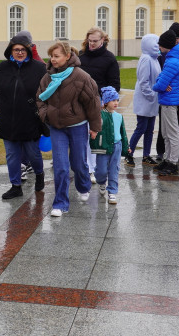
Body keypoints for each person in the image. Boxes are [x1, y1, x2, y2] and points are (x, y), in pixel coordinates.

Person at [36, 41, 101, 217]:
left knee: (78, 163)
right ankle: (60, 203)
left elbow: (93, 102)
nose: (53, 59)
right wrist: (45, 115)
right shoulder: (48, 77)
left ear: (67, 56)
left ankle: (83, 185)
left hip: (78, 127)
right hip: (57, 128)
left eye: (56, 56)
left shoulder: (81, 77)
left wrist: (95, 127)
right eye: (51, 56)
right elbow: (40, 98)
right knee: (61, 166)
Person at [0, 32, 47, 199]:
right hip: (8, 121)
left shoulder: (39, 68)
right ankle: (15, 185)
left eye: (23, 49)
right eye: (16, 49)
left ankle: (39, 174)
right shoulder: (2, 68)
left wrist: (43, 110)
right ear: (10, 51)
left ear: (28, 50)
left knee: (33, 153)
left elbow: (49, 91)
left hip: (30, 120)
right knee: (12, 155)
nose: (19, 52)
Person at [78, 27, 120, 181]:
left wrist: (107, 101)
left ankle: (96, 168)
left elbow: (114, 83)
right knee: (83, 135)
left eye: (95, 41)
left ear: (103, 40)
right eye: (90, 41)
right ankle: (87, 167)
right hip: (81, 101)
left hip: (99, 103)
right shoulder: (81, 56)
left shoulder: (109, 58)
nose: (92, 43)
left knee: (96, 136)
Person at [151, 28, 179, 175]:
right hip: (168, 100)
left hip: (169, 102)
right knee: (167, 133)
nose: (159, 48)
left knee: (172, 134)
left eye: (160, 45)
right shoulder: (174, 59)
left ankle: (172, 162)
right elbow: (162, 79)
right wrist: (160, 82)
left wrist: (156, 85)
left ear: (167, 45)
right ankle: (167, 159)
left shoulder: (172, 61)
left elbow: (159, 84)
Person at [126, 33, 161, 167]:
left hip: (152, 100)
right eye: (155, 43)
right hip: (145, 99)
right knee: (141, 128)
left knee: (150, 129)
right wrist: (151, 94)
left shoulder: (154, 58)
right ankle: (129, 152)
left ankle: (146, 155)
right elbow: (143, 81)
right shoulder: (146, 59)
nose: (158, 46)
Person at [91, 87, 127, 204]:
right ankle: (101, 182)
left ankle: (112, 191)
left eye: (117, 100)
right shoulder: (100, 115)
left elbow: (123, 133)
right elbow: (94, 129)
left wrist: (126, 147)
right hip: (103, 146)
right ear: (106, 102)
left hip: (117, 146)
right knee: (101, 171)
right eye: (113, 100)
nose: (116, 103)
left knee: (114, 169)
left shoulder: (119, 117)